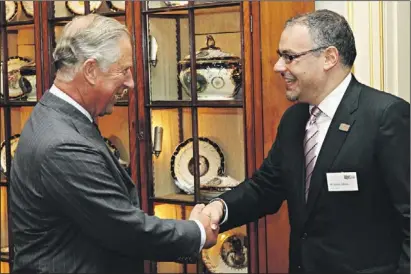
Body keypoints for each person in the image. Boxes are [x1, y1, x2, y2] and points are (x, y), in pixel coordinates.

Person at [203, 9, 410, 273]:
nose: (279, 66)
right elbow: (266, 187)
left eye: (289, 57)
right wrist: (219, 208)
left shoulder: (385, 116)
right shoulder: (294, 119)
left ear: (329, 58)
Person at [10, 14, 218, 273]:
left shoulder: (59, 118)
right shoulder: (63, 145)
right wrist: (197, 233)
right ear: (90, 70)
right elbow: (123, 230)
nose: (130, 82)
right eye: (124, 70)